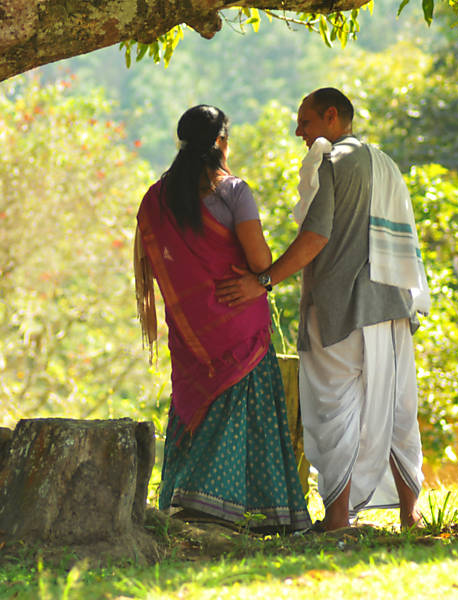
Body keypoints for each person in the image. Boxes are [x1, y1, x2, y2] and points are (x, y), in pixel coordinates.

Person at [215, 88, 428, 531]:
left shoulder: (330, 161)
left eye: (305, 122)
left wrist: (264, 281)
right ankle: (410, 514)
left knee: (335, 411)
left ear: (332, 117)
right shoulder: (383, 161)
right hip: (390, 306)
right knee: (396, 409)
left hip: (340, 310)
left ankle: (336, 520)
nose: (299, 131)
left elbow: (316, 237)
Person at [134, 105, 311, 533]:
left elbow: (160, 267)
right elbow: (260, 260)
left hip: (193, 333)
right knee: (247, 415)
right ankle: (258, 513)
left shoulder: (157, 197)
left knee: (197, 407)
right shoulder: (233, 191)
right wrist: (263, 278)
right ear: (220, 142)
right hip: (239, 324)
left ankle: (190, 503)